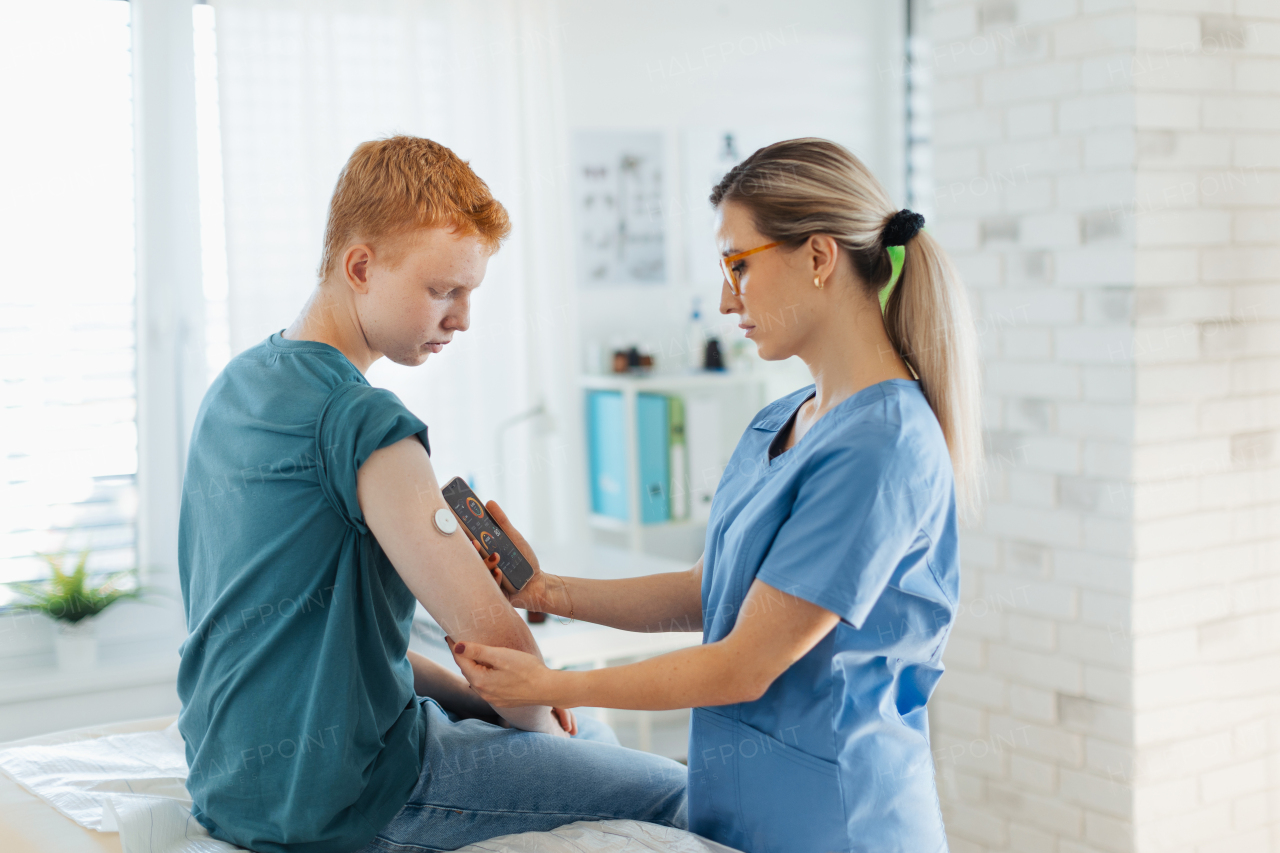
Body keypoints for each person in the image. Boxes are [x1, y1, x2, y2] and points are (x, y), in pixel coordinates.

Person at [447, 137, 984, 853]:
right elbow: (709, 592)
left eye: (739, 265)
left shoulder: (884, 444)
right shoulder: (783, 419)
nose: (727, 298)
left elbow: (744, 661)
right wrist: (547, 591)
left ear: (819, 257)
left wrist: (555, 682)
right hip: (736, 814)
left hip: (840, 824)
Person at [176, 136, 686, 853]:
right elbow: (497, 639)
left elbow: (316, 644)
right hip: (342, 797)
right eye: (443, 290)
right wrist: (545, 735)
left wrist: (482, 701)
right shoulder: (364, 420)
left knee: (582, 728)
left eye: (470, 292)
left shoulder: (236, 385)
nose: (463, 318)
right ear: (361, 266)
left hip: (228, 781)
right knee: (674, 787)